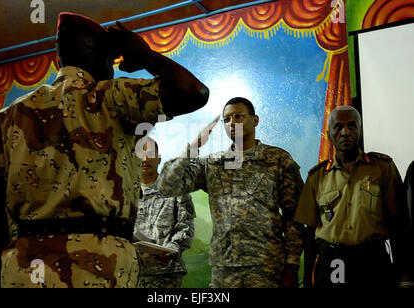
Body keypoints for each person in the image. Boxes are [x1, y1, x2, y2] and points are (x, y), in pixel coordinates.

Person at [0, 12, 209, 288]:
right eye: (112, 61)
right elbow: (193, 92)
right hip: (99, 268)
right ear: (101, 59)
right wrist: (145, 55)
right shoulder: (112, 96)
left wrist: (0, 272)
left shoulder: (10, 115)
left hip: (25, 270)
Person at [156, 97, 304, 288]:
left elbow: (294, 217)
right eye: (226, 120)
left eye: (239, 116)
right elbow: (167, 186)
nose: (232, 123)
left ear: (255, 120)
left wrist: (292, 265)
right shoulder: (213, 164)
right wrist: (193, 147)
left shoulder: (277, 160)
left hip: (266, 266)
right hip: (224, 269)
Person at [295, 105, 413, 288]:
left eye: (352, 126)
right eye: (338, 127)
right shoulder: (317, 177)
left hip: (372, 261)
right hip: (334, 263)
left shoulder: (382, 168)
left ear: (360, 130)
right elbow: (309, 233)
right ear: (329, 133)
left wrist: (405, 275)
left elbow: (397, 224)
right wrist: (308, 282)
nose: (345, 132)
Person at [134, 138, 195, 288]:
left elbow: (186, 227)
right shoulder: (122, 192)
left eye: (150, 153)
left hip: (164, 275)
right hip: (128, 272)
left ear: (159, 158)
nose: (145, 158)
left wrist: (173, 248)